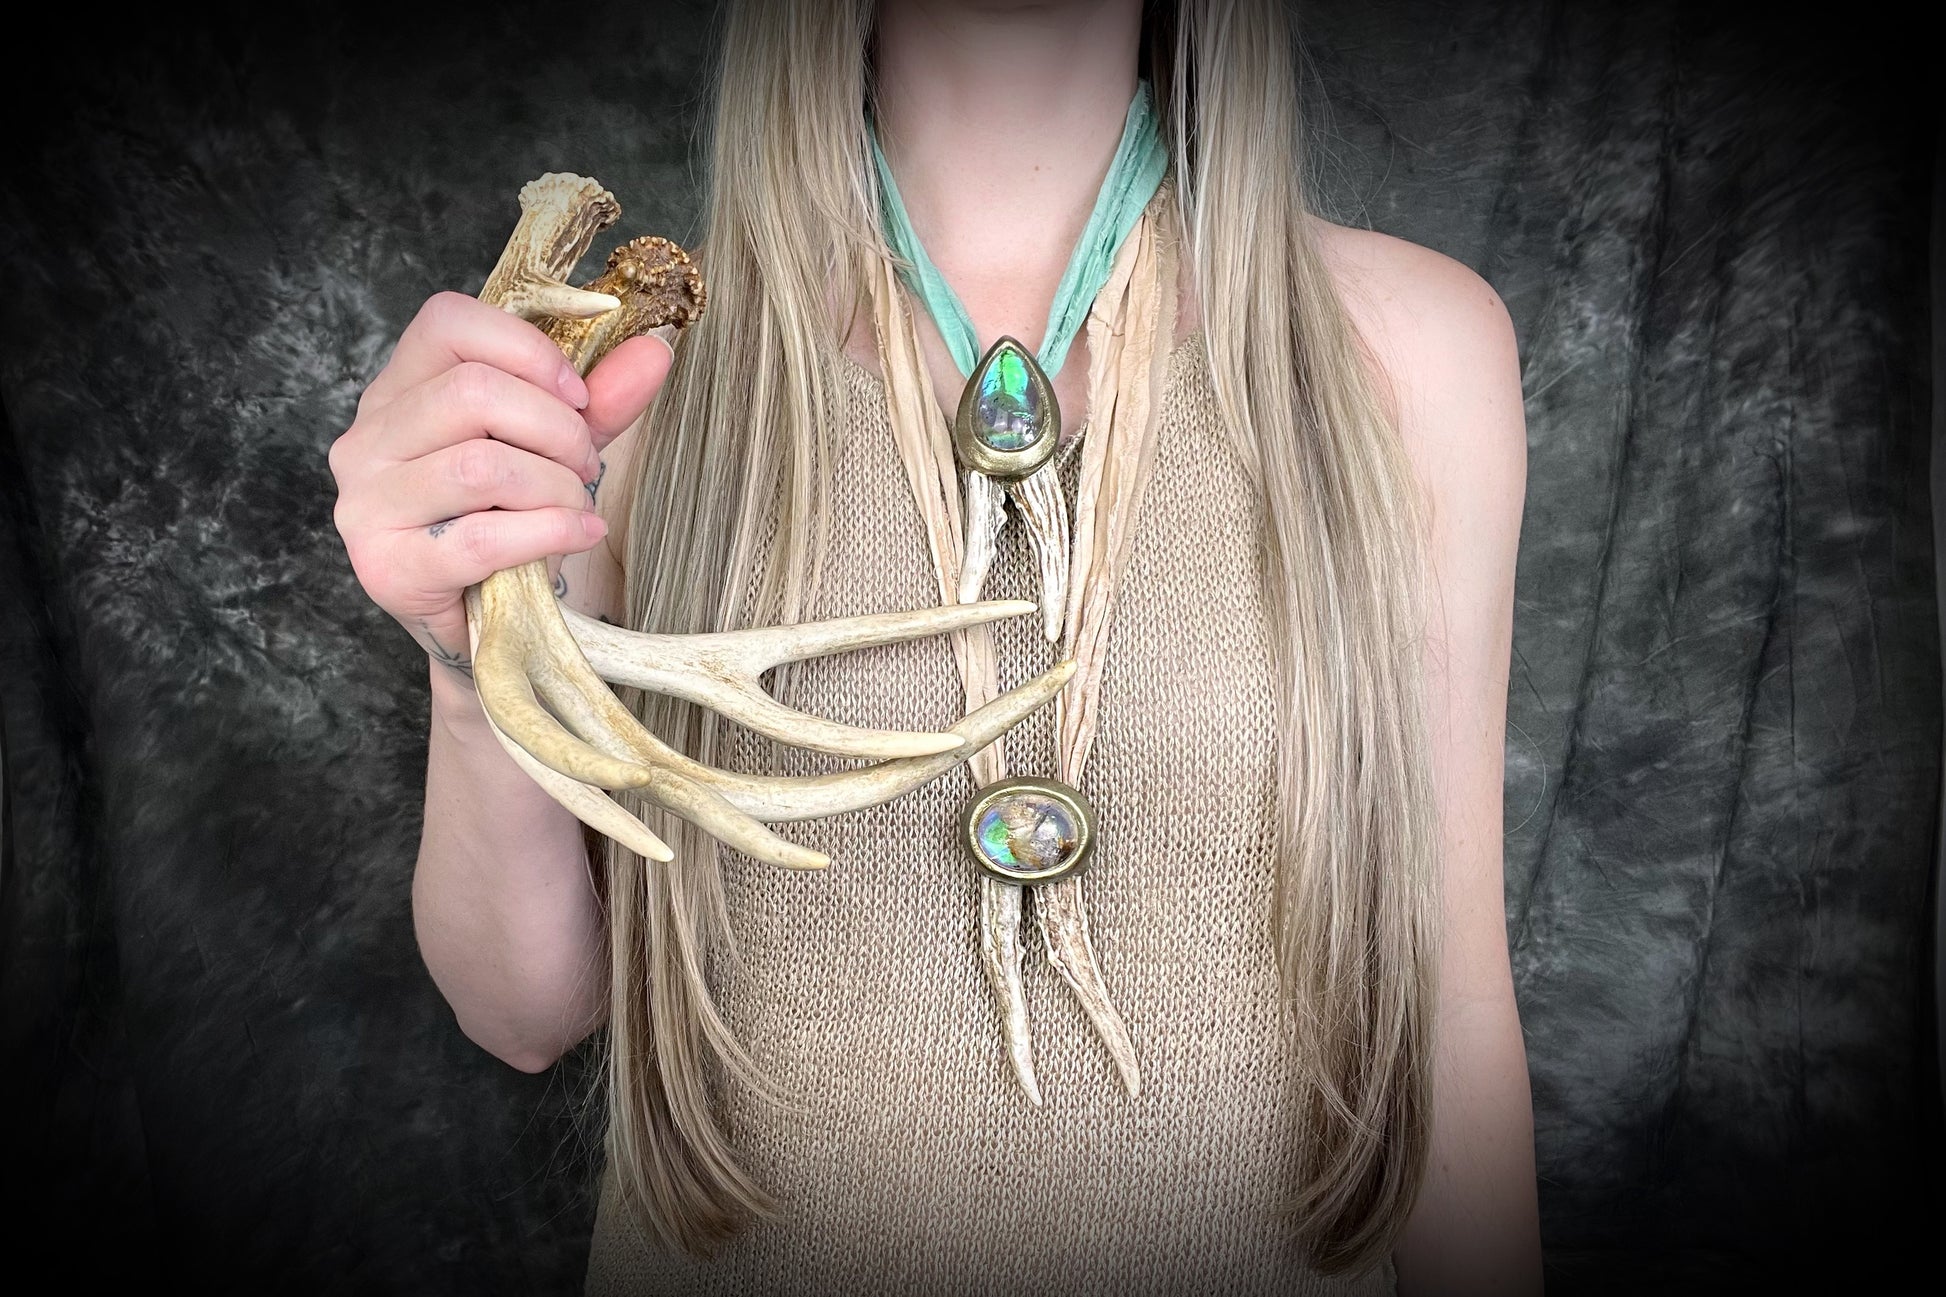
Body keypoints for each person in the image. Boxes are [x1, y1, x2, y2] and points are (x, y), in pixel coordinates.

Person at [327, 1, 1539, 1292]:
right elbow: (523, 1013)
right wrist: (470, 664)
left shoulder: (1410, 357)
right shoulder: (621, 375)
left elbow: (1449, 1012)